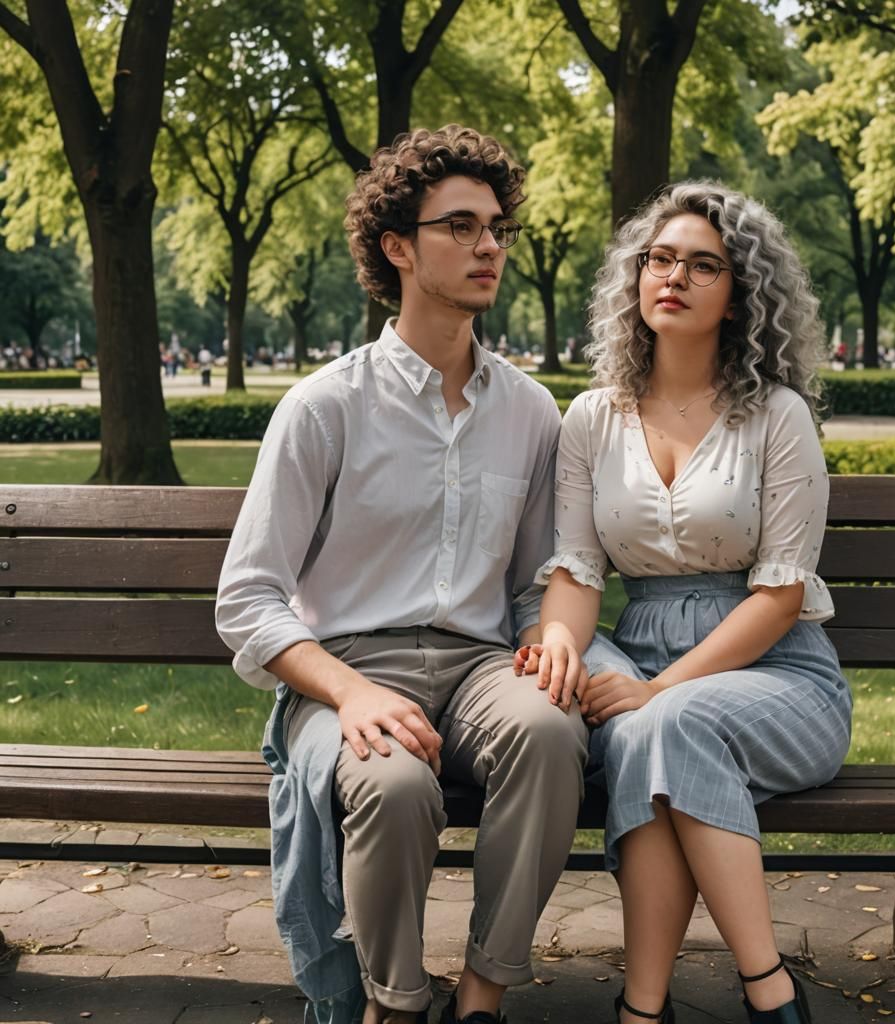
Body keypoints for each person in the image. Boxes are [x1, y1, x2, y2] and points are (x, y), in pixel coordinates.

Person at [215, 124, 588, 1024]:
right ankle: (394, 1001)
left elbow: (539, 574)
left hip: (475, 669)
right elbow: (248, 598)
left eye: (497, 226)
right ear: (397, 247)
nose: (489, 245)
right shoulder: (325, 406)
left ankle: (485, 994)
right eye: (458, 226)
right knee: (390, 782)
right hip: (348, 664)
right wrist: (347, 695)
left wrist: (546, 635)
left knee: (547, 731)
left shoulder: (533, 412)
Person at [515, 182, 852, 1024]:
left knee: (664, 724)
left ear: (740, 297)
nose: (675, 277)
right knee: (644, 731)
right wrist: (562, 641)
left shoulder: (778, 417)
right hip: (637, 657)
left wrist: (661, 690)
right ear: (636, 277)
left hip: (778, 676)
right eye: (660, 259)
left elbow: (779, 598)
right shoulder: (593, 417)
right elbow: (578, 570)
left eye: (705, 266)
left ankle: (763, 983)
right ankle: (651, 1004)